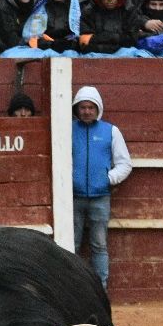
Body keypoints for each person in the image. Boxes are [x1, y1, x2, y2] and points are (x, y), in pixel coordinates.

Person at [71, 85, 131, 290]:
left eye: (91, 107)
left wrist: (108, 178)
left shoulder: (110, 131)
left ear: (98, 109)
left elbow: (125, 163)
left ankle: (100, 289)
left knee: (99, 245)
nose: (86, 111)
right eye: (82, 107)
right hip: (72, 197)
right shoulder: (67, 129)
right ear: (76, 109)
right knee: (71, 246)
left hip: (100, 198)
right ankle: (72, 290)